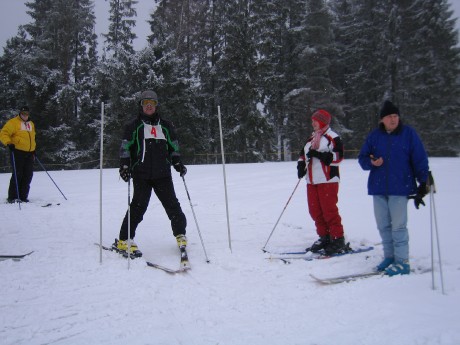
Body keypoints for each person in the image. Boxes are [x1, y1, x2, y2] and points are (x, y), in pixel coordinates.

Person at [112, 90, 188, 257]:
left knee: (173, 205)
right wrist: (124, 166)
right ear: (141, 105)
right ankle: (124, 239)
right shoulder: (133, 125)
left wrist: (177, 162)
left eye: (152, 103)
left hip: (163, 174)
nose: (149, 106)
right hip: (141, 174)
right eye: (145, 103)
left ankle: (180, 234)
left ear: (156, 106)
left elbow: (173, 146)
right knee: (138, 207)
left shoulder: (166, 125)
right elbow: (125, 147)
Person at [358, 100, 429, 276]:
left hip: (400, 187)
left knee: (398, 227)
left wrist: (424, 182)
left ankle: (402, 262)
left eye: (396, 116)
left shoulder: (408, 134)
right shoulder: (375, 136)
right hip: (378, 187)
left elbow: (419, 159)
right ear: (382, 119)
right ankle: (389, 257)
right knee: (383, 226)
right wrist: (371, 162)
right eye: (390, 116)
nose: (393, 119)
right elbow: (362, 159)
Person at [297, 109, 347, 255]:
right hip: (312, 180)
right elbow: (303, 154)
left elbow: (338, 156)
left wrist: (319, 154)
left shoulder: (333, 137)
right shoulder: (311, 138)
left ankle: (337, 238)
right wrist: (300, 165)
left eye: (315, 120)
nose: (312, 123)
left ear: (322, 121)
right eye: (312, 121)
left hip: (327, 180)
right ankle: (324, 236)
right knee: (315, 211)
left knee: (328, 210)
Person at [0, 106, 36, 203]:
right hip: (17, 151)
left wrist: (33, 149)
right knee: (18, 174)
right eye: (23, 113)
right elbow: (3, 133)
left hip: (29, 152)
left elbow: (32, 138)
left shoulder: (31, 124)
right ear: (20, 113)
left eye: (27, 114)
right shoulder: (13, 122)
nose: (25, 115)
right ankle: (13, 197)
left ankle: (23, 196)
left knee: (28, 175)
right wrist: (8, 143)